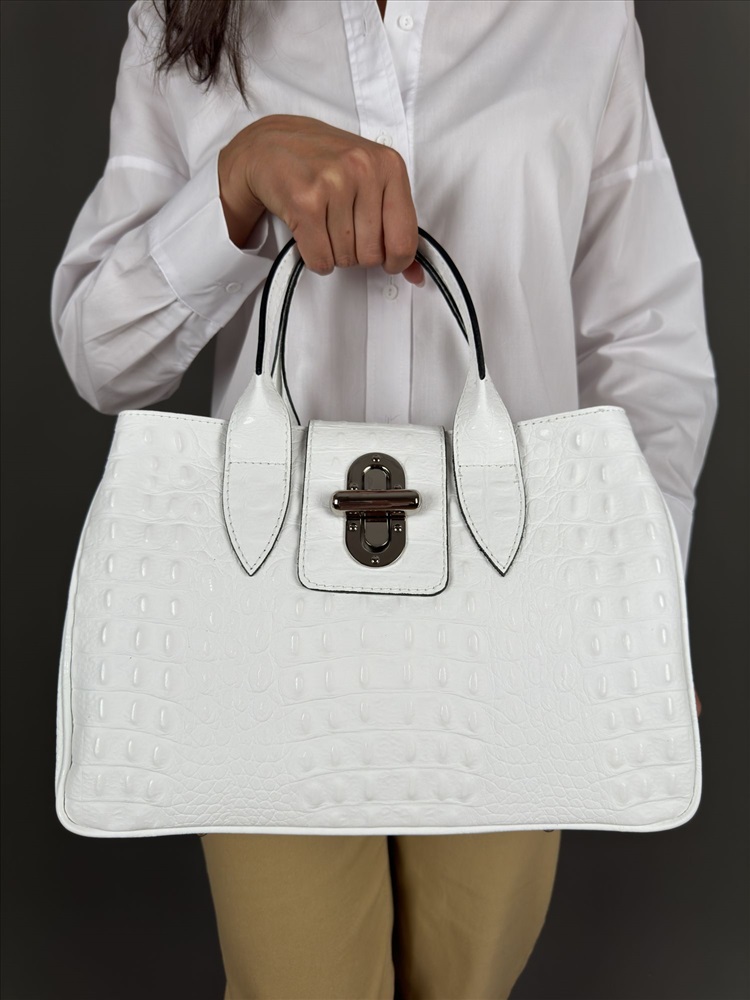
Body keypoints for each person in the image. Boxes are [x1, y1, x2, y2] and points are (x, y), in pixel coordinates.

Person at [50, 1, 716, 996]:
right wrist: (234, 180)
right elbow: (103, 357)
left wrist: (642, 606)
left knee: (465, 985)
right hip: (268, 616)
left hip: (518, 606)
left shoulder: (581, 16)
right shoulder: (184, 19)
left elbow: (645, 341)